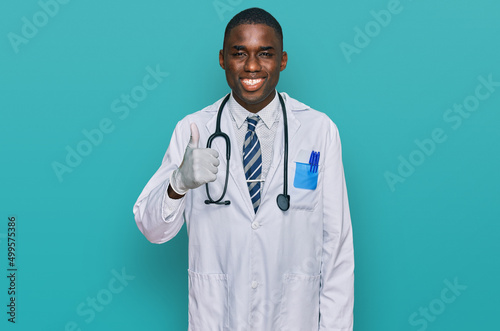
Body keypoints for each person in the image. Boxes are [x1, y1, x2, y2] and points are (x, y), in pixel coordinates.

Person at [133, 7, 354, 331]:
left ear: (282, 60)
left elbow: (337, 249)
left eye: (265, 54)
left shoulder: (318, 131)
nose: (252, 66)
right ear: (222, 58)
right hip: (217, 319)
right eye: (239, 53)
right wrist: (177, 183)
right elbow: (152, 230)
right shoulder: (194, 129)